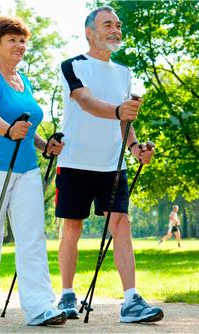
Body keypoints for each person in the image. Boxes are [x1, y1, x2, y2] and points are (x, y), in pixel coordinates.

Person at [55, 6, 163, 324]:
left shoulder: (124, 73)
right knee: (72, 229)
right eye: (107, 24)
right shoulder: (72, 66)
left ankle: (131, 301)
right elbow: (86, 102)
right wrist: (119, 111)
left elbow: (124, 119)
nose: (115, 29)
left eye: (118, 25)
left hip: (112, 166)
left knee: (122, 226)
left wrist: (135, 148)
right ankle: (66, 295)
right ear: (89, 32)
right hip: (74, 163)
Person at [0, 15, 66, 326]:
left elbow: (26, 126)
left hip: (26, 169)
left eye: (22, 40)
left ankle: (39, 308)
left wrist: (44, 145)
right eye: (12, 40)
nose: (20, 45)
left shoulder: (25, 81)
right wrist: (9, 131)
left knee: (32, 236)